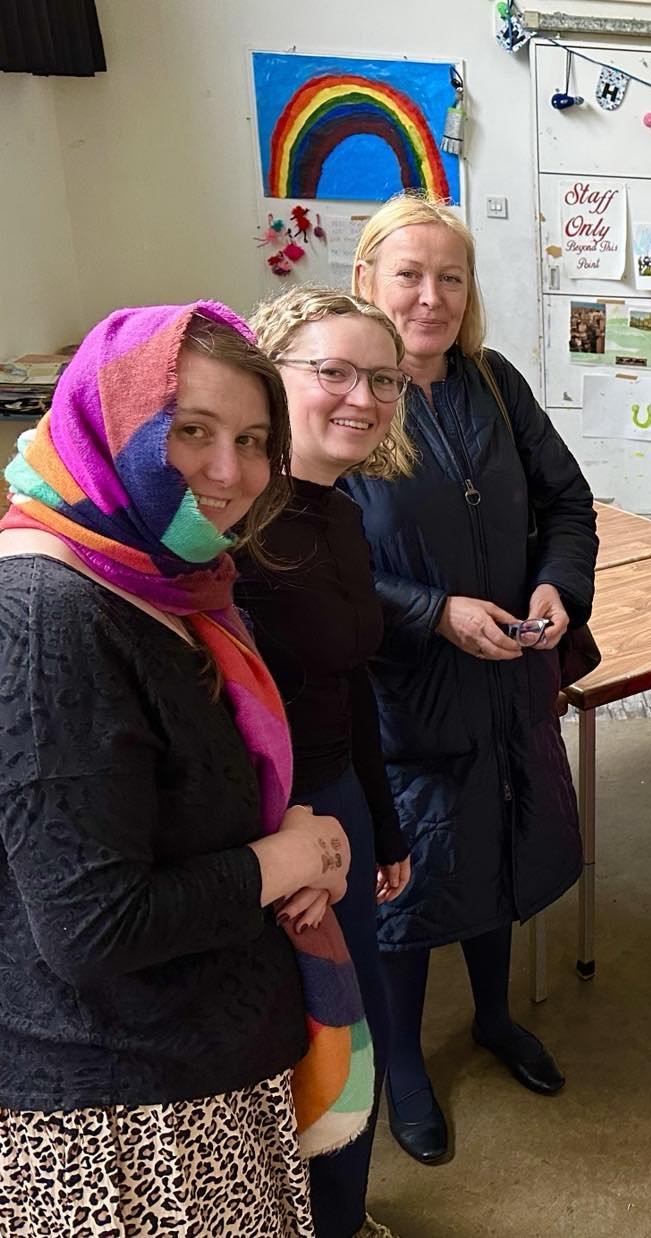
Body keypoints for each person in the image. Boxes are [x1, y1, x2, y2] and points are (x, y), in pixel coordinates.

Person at [0, 303, 359, 1234]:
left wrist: (288, 839)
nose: (230, 473)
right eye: (189, 432)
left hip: (198, 1067)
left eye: (251, 439)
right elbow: (92, 924)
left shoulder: (158, 580)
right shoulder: (51, 612)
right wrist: (290, 862)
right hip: (127, 1125)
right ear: (107, 425)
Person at [347, 192, 598, 1166]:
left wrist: (555, 582)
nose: (431, 295)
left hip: (510, 683)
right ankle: (404, 1062)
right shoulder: (349, 398)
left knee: (499, 849)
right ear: (367, 279)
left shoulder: (493, 383)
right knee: (413, 882)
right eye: (409, 273)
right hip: (408, 695)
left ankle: (493, 1015)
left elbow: (567, 500)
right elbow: (320, 565)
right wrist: (434, 611)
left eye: (450, 276)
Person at [241, 288, 417, 1238]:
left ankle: (344, 1223)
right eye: (334, 372)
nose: (363, 397)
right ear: (273, 377)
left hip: (337, 803)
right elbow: (219, 720)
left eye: (382, 380)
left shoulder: (342, 513)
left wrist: (380, 822)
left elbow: (350, 684)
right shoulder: (234, 527)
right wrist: (280, 856)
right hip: (269, 827)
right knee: (291, 1056)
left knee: (351, 1042)